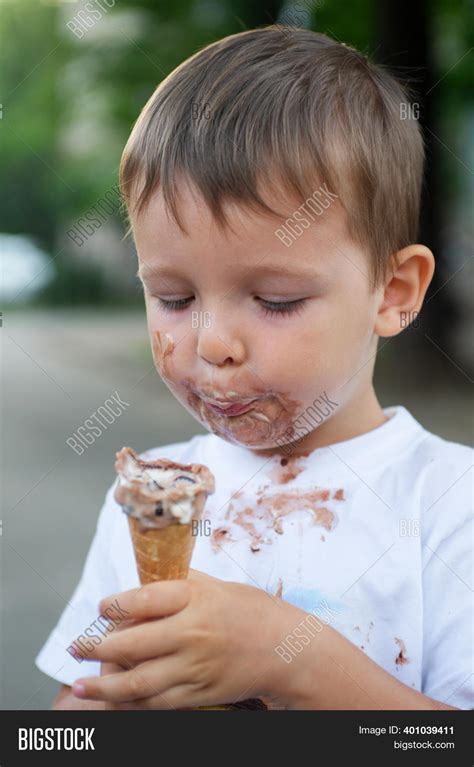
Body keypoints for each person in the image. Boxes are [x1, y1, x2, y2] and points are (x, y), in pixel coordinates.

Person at [36, 26, 472, 710]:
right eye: (173, 297)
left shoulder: (450, 504)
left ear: (394, 292)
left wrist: (289, 656)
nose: (212, 343)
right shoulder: (150, 496)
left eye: (276, 300)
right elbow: (74, 713)